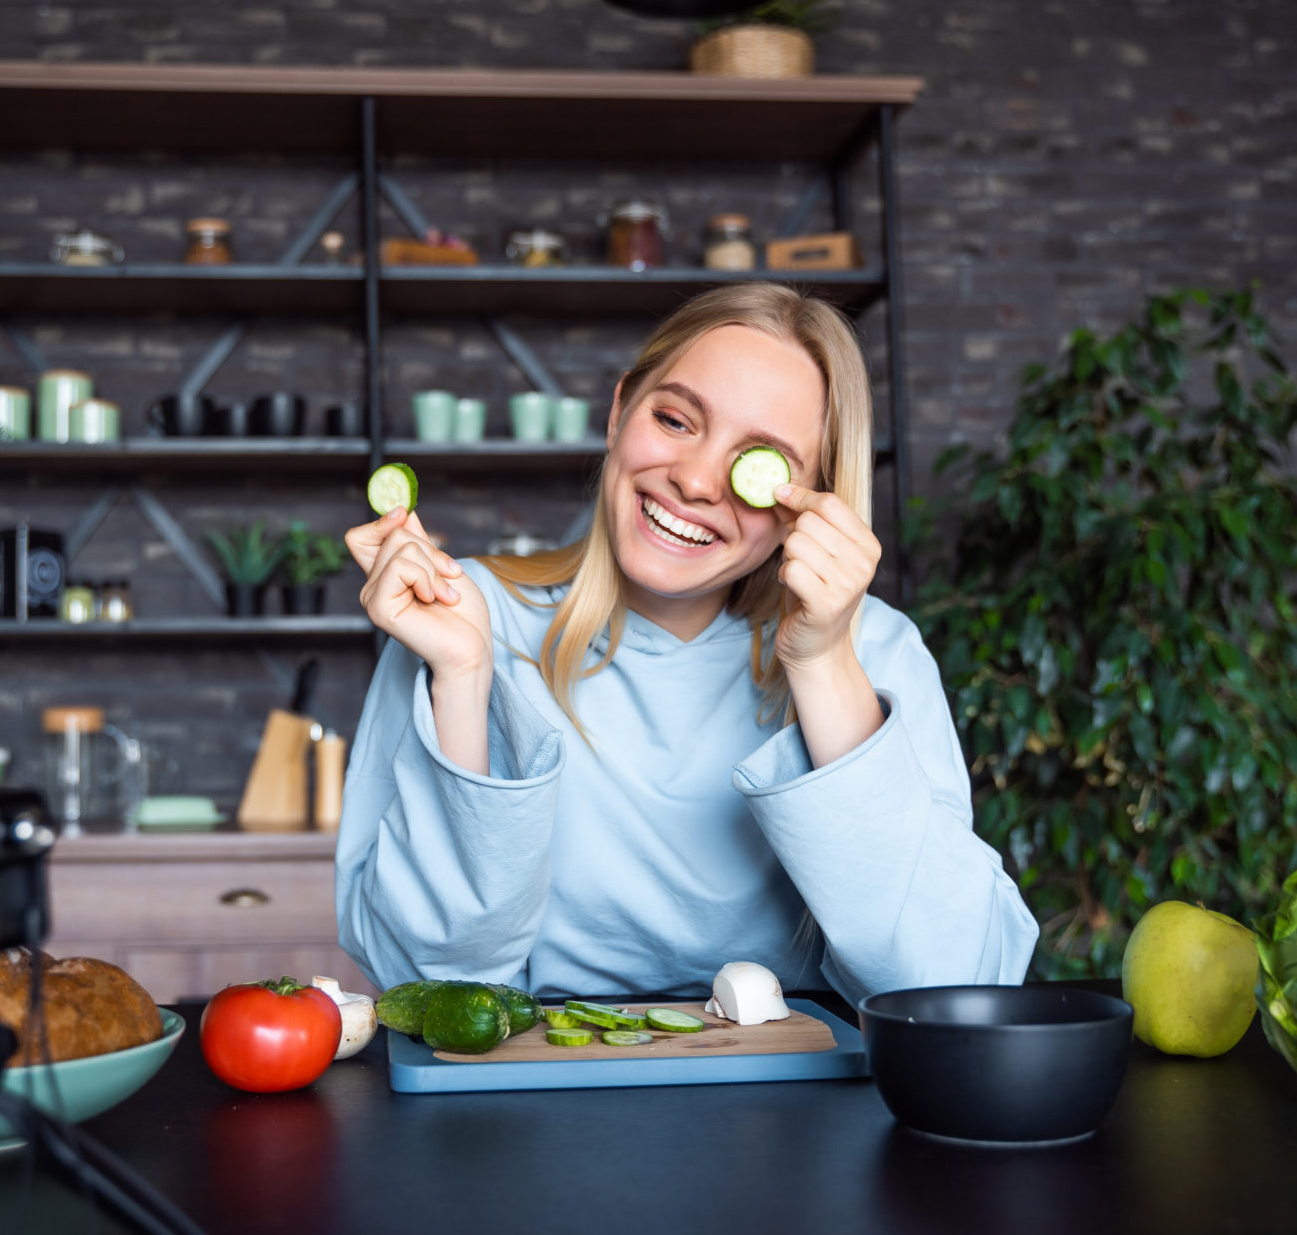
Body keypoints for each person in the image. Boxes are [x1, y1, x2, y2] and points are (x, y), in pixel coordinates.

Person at [335, 283, 1035, 1006]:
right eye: (674, 420)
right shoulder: (461, 616)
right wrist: (460, 679)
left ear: (814, 503)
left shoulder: (874, 650)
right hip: (534, 1090)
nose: (696, 481)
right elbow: (423, 984)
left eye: (759, 462)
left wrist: (824, 666)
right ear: (618, 412)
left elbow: (954, 984)